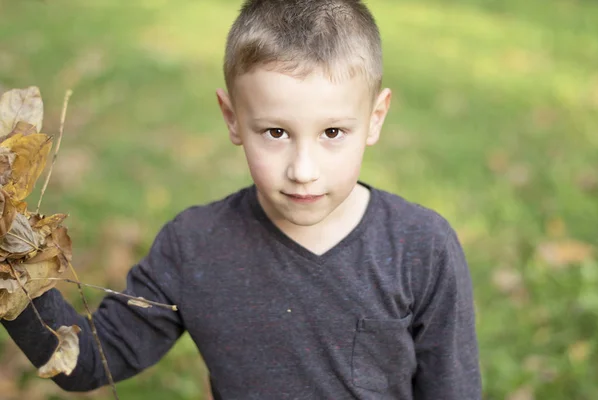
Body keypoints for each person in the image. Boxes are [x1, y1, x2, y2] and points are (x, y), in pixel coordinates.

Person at [1, 0, 481, 398]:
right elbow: (87, 361)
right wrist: (11, 266)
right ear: (232, 118)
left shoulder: (421, 246)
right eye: (276, 132)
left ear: (376, 117)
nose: (303, 170)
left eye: (333, 132)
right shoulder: (194, 246)